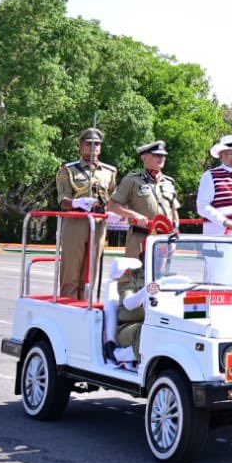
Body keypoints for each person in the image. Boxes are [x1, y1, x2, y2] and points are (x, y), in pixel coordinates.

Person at [55, 127, 117, 300]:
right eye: (89, 144)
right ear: (81, 146)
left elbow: (112, 197)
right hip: (75, 221)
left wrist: (113, 211)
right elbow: (62, 200)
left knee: (91, 271)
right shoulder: (68, 170)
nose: (93, 147)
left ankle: (85, 305)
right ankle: (68, 305)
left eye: (97, 144)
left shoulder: (109, 171)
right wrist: (76, 202)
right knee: (71, 271)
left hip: (98, 223)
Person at [107, 140, 180, 260]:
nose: (161, 158)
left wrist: (175, 233)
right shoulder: (132, 180)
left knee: (159, 276)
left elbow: (174, 210)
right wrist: (134, 215)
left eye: (163, 155)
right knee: (136, 275)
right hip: (139, 237)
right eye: (156, 155)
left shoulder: (169, 182)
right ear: (144, 157)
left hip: (163, 239)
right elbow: (113, 206)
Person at [111, 259, 157, 372]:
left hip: (154, 324)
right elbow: (128, 303)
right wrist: (146, 290)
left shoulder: (165, 277)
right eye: (161, 250)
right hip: (127, 327)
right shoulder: (131, 275)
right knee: (143, 330)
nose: (163, 258)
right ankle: (146, 371)